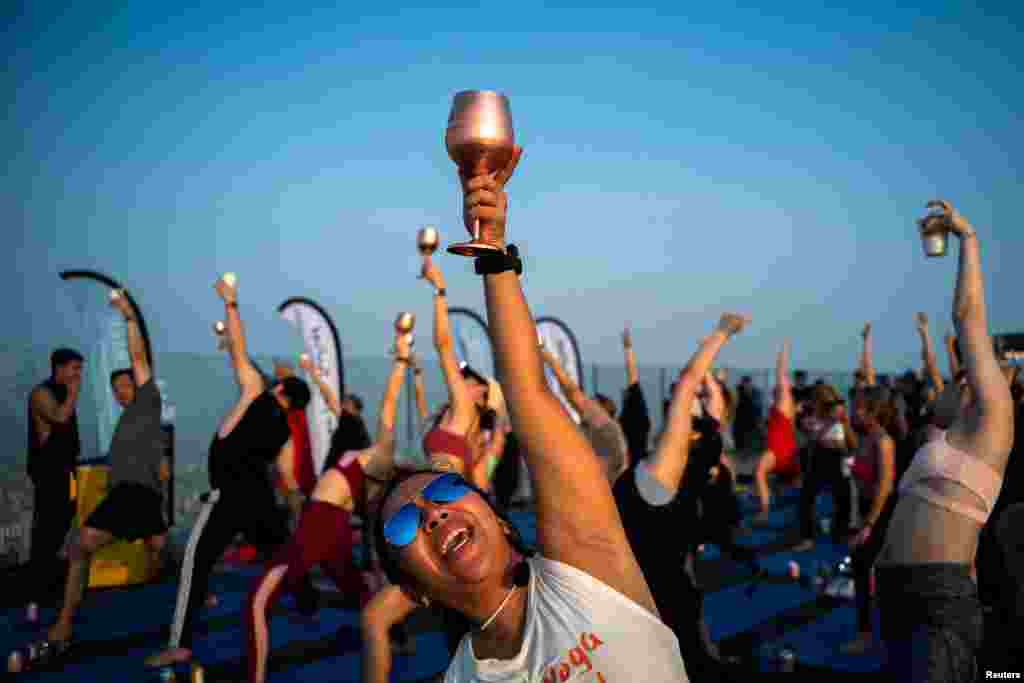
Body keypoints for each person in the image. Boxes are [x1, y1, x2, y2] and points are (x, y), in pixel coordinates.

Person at [371, 147, 689, 681]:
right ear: (414, 591)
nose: (431, 514)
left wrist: (491, 251)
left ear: (497, 515)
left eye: (447, 491)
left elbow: (528, 394)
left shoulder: (586, 572)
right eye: (404, 524)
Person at [146, 274, 314, 669]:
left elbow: (239, 349)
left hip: (229, 496)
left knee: (195, 561)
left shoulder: (255, 389)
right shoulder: (286, 433)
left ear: (282, 390)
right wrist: (298, 506)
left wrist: (231, 303)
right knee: (284, 552)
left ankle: (180, 644)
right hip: (260, 500)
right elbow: (288, 482)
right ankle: (307, 598)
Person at [876, 200, 1014, 681]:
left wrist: (967, 239)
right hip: (896, 594)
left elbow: (967, 317)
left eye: (962, 377)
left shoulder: (993, 421)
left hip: (935, 604)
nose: (951, 382)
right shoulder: (947, 434)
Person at [245, 333, 410, 683]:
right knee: (355, 588)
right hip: (327, 521)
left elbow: (390, 405)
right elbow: (343, 400)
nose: (344, 407)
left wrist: (400, 361)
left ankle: (254, 677)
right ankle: (394, 636)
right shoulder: (356, 451)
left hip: (323, 518)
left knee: (260, 599)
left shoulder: (375, 453)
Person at [419, 253, 508, 489]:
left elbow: (443, 345)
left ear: (482, 394)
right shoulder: (472, 434)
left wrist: (439, 289)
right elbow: (480, 482)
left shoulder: (465, 408)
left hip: (443, 496)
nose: (465, 379)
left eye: (471, 378)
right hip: (446, 496)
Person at [25, 348, 83, 620]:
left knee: (66, 525)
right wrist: (72, 393)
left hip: (68, 473)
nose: (77, 375)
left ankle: (58, 591)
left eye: (79, 369)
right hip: (50, 473)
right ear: (59, 368)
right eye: (74, 368)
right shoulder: (42, 393)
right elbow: (59, 418)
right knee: (46, 531)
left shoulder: (64, 394)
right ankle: (34, 596)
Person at [840, 388, 897, 655]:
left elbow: (884, 487)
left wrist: (869, 525)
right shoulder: (865, 437)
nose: (854, 411)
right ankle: (869, 631)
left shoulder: (883, 441)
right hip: (863, 511)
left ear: (874, 410)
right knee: (862, 573)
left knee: (869, 572)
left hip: (881, 513)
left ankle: (869, 635)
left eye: (859, 407)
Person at [541, 343, 629, 483]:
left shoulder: (608, 430)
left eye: (592, 404)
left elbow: (573, 393)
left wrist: (546, 355)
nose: (583, 412)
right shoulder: (611, 441)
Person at [795, 382, 857, 550]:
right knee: (806, 499)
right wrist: (828, 422)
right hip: (818, 457)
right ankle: (807, 537)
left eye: (829, 400)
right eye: (821, 399)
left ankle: (839, 533)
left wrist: (845, 422)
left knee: (843, 498)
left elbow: (852, 444)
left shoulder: (840, 417)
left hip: (838, 458)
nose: (827, 404)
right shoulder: (811, 416)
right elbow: (813, 438)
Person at [752, 340, 799, 523]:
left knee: (759, 473)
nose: (780, 386)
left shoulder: (784, 400)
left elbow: (780, 372)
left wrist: (783, 349)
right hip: (785, 448)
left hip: (778, 449)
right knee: (782, 481)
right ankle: (780, 505)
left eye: (784, 385)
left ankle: (765, 511)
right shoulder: (784, 405)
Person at [620, 326, 652, 465]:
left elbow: (632, 375)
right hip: (639, 463)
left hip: (631, 463)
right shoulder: (641, 419)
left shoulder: (632, 417)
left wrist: (628, 349)